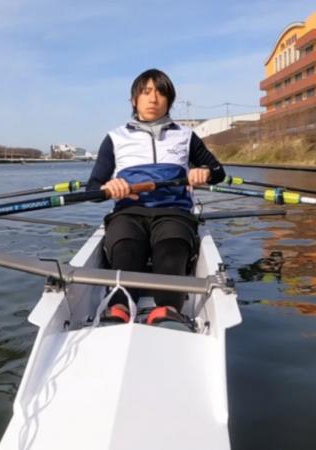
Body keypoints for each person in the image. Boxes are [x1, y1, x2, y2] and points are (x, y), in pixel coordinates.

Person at [87, 68, 226, 329]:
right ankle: (119, 305)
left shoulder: (186, 136)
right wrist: (110, 185)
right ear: (133, 100)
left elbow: (219, 172)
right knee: (125, 244)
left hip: (174, 211)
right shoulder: (115, 138)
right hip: (129, 212)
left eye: (161, 93)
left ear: (169, 101)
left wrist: (203, 172)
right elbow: (93, 189)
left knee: (172, 244)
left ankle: (168, 309)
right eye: (146, 92)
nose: (153, 99)